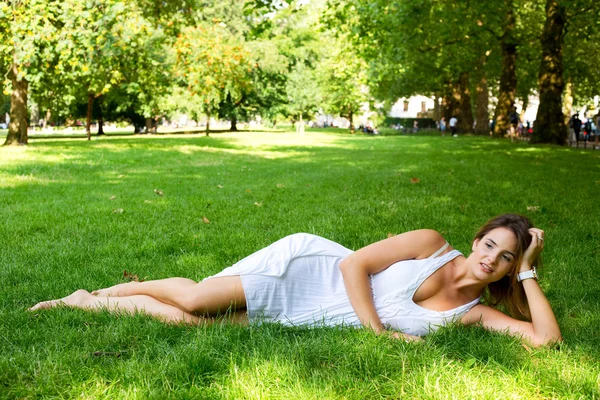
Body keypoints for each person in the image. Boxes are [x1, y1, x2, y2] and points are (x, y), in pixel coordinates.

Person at [29, 214, 562, 346]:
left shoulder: (470, 314)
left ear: (513, 267)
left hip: (317, 317)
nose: (492, 257)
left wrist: (533, 269)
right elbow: (353, 264)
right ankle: (106, 291)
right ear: (476, 241)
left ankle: (86, 303)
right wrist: (377, 332)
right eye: (490, 243)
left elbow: (546, 342)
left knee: (200, 328)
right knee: (195, 299)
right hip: (309, 272)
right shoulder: (430, 244)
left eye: (508, 256)